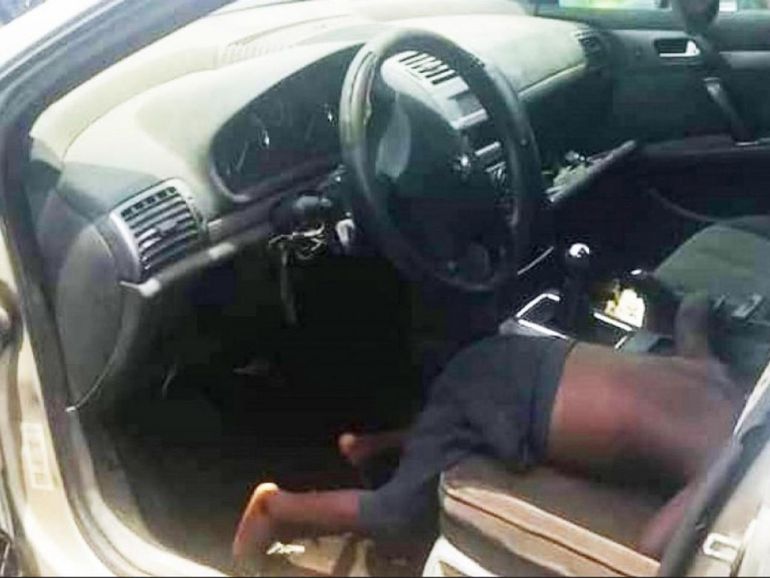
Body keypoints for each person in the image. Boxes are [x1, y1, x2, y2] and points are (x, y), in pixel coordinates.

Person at [232, 294, 745, 567]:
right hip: (495, 402)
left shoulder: (728, 385)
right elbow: (655, 547)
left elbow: (693, 313)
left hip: (515, 358)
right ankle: (274, 508)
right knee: (397, 515)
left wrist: (709, 308)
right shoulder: (725, 461)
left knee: (452, 425)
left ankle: (372, 445)